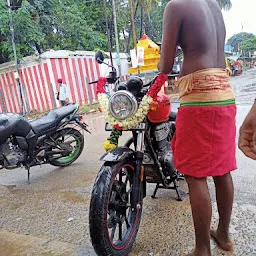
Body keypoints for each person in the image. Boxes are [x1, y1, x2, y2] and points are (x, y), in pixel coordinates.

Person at [158, 0, 236, 255]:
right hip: (224, 92)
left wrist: (161, 65)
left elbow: (165, 65)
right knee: (222, 170)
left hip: (199, 94)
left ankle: (202, 249)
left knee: (195, 173)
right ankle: (223, 235)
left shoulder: (176, 5)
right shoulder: (214, 6)